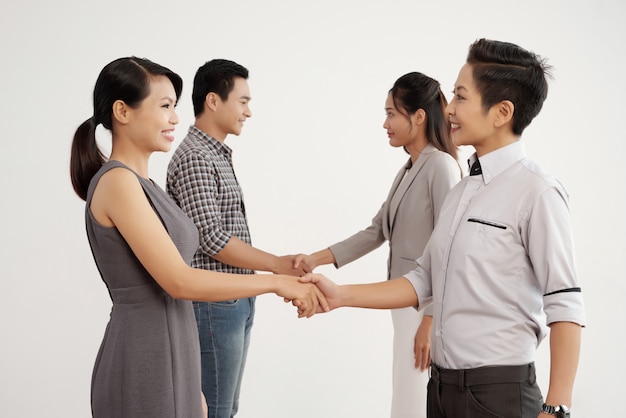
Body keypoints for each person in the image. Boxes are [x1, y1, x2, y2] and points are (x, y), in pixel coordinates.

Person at [301, 38, 585, 418]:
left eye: (461, 97)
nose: (449, 109)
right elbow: (422, 280)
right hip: (442, 389)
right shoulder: (463, 191)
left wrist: (557, 407)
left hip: (498, 394)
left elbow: (564, 302)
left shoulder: (538, 192)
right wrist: (339, 294)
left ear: (501, 112)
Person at [69, 56, 327, 418]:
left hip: (176, 348)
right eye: (164, 106)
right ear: (122, 112)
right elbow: (179, 280)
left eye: (174, 106)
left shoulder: (145, 186)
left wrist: (193, 389)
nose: (175, 118)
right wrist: (275, 283)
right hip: (144, 356)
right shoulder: (117, 182)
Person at [294, 72, 462, 418]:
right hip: (401, 303)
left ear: (417, 117)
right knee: (405, 391)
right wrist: (316, 259)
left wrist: (431, 321)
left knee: (414, 397)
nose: (385, 123)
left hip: (424, 307)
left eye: (391, 113)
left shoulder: (441, 167)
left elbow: (450, 249)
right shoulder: (408, 168)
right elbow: (376, 231)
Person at [165, 58, 309, 418]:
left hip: (233, 300)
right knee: (215, 410)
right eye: (243, 101)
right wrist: (276, 266)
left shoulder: (214, 154)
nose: (248, 112)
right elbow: (211, 238)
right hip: (215, 304)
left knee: (225, 408)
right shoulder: (197, 157)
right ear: (214, 101)